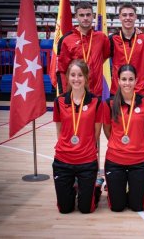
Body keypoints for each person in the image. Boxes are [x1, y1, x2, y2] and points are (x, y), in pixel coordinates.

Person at [52, 59, 103, 214]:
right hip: (63, 160)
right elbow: (60, 131)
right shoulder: (59, 101)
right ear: (67, 77)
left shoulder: (95, 101)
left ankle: (96, 186)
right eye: (73, 75)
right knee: (65, 209)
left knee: (86, 209)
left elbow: (96, 133)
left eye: (80, 75)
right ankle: (73, 187)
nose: (76, 79)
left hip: (86, 161)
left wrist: (86, 150)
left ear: (86, 78)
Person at [102, 65, 144, 212]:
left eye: (131, 79)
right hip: (115, 160)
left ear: (136, 81)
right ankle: (108, 187)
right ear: (118, 80)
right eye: (124, 79)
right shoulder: (110, 103)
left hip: (138, 160)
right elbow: (107, 130)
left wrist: (137, 140)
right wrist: (118, 142)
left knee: (138, 207)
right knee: (117, 207)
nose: (127, 83)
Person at [57, 1, 110, 97]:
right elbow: (62, 69)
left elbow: (104, 56)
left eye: (88, 15)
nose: (85, 18)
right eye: (81, 15)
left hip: (95, 93)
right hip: (75, 93)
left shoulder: (101, 38)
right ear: (76, 17)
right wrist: (65, 94)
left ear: (93, 16)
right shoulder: (67, 40)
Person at [109, 3, 144, 96]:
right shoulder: (112, 39)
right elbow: (102, 59)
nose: (128, 18)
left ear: (136, 17)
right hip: (118, 90)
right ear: (119, 17)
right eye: (124, 15)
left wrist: (141, 66)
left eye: (131, 15)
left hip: (139, 90)